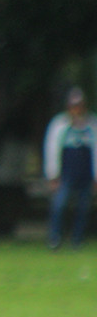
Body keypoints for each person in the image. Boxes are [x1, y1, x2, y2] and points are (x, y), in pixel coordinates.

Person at [43, 86, 97, 249]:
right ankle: (55, 238)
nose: (76, 110)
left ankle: (77, 239)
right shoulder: (59, 125)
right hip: (66, 173)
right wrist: (53, 175)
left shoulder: (92, 125)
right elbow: (52, 149)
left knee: (83, 208)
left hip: (85, 173)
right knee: (59, 205)